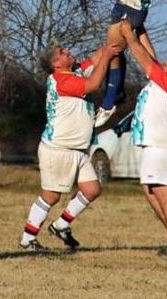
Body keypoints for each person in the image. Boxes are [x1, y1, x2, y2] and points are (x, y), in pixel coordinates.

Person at [19, 41, 120, 252]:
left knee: (92, 190)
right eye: (62, 52)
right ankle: (28, 239)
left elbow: (96, 58)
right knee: (51, 196)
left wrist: (116, 39)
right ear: (55, 63)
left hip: (77, 149)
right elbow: (93, 84)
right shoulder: (61, 80)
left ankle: (61, 225)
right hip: (59, 149)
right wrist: (107, 57)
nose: (68, 51)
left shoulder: (74, 73)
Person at [122, 20, 167, 258]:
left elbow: (143, 58)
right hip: (155, 145)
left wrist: (127, 35)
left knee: (163, 194)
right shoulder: (163, 81)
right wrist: (140, 27)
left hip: (161, 146)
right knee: (150, 191)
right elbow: (151, 56)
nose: (166, 63)